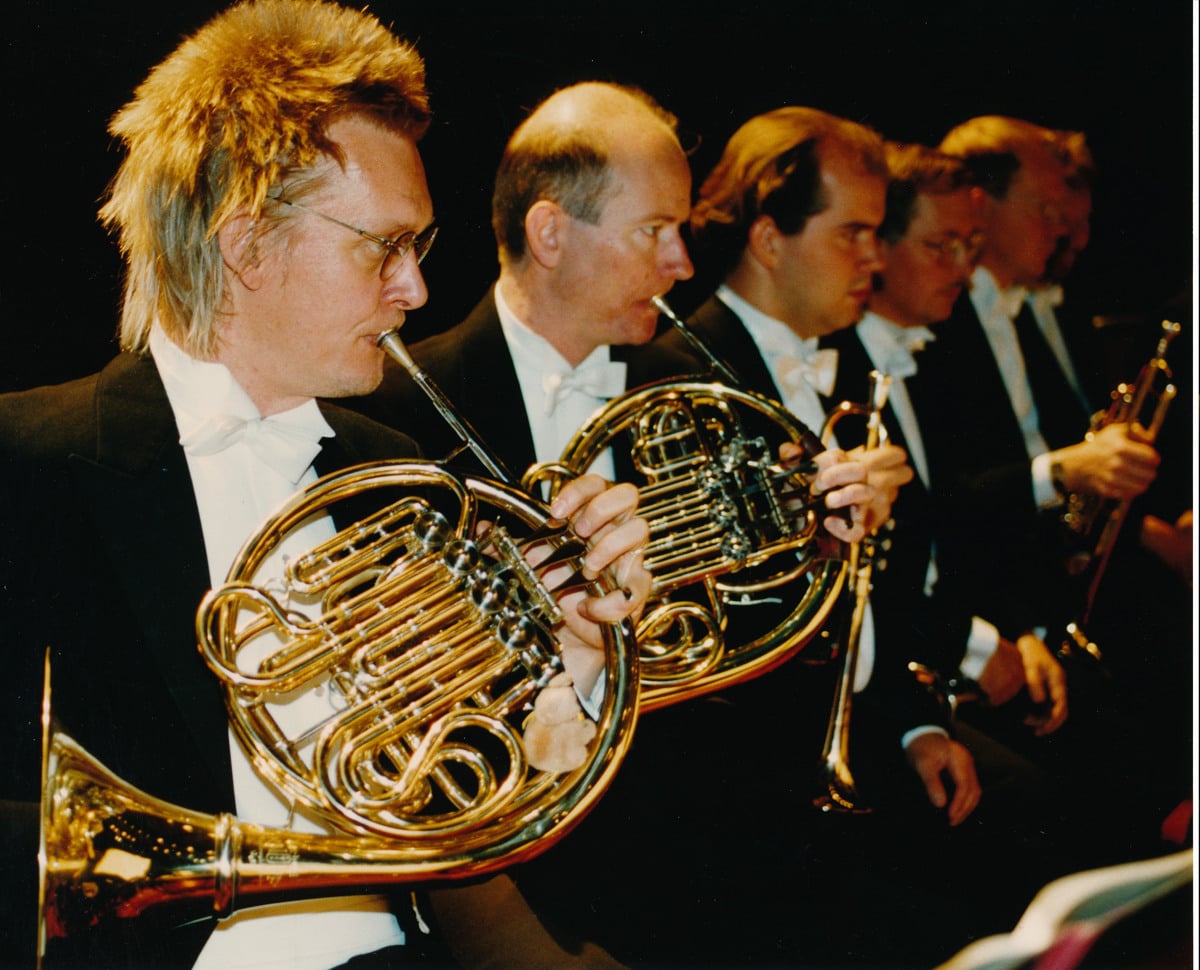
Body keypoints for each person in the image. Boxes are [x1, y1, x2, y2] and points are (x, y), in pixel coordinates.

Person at [0, 3, 653, 968]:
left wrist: (574, 667)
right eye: (382, 246)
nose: (415, 291)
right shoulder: (27, 464)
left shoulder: (407, 483)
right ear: (246, 245)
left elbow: (484, 810)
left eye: (418, 248)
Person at [627, 105, 1029, 968]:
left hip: (867, 730)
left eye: (880, 235)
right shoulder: (679, 376)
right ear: (769, 238)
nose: (875, 260)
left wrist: (916, 728)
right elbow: (707, 626)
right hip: (760, 767)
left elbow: (882, 585)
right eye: (854, 234)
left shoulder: (842, 365)